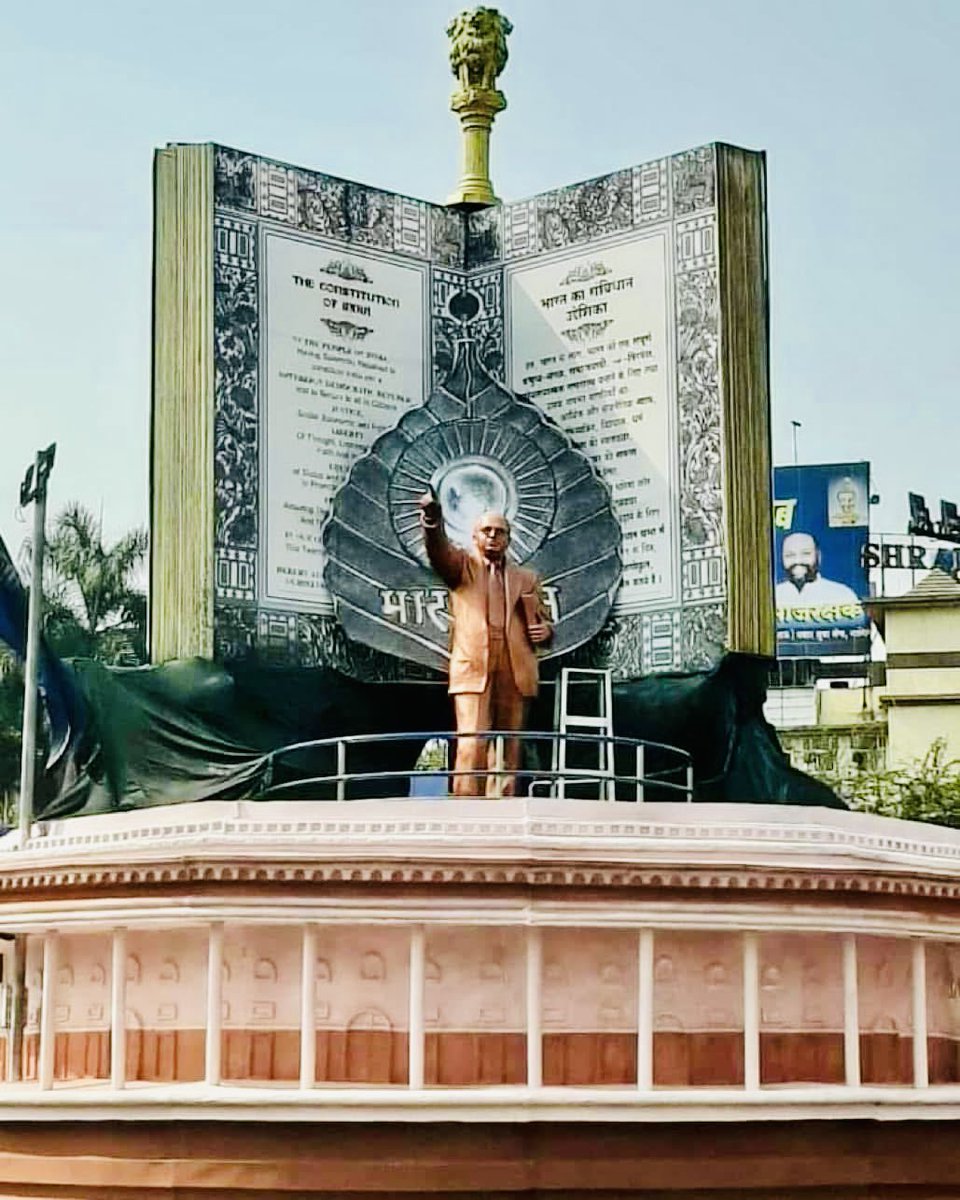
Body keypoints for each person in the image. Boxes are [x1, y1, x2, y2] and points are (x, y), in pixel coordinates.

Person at [419, 490, 551, 797]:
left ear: (508, 539)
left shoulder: (526, 578)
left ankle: (502, 806)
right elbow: (437, 550)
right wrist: (431, 520)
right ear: (474, 537)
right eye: (486, 531)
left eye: (499, 532)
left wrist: (545, 631)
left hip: (515, 666)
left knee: (509, 746)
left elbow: (543, 621)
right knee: (471, 741)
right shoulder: (462, 567)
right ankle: (467, 807)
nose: (493, 536)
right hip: (474, 664)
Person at [774, 531, 861, 607]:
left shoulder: (843, 595)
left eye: (806, 553)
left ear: (818, 556)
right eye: (790, 555)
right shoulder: (773, 596)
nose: (798, 561)